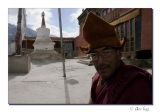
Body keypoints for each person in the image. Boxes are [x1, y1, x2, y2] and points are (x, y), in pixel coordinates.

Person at [80, 12, 152, 104]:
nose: (100, 62)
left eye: (106, 52)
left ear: (119, 53)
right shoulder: (96, 78)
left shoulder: (136, 85)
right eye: (94, 54)